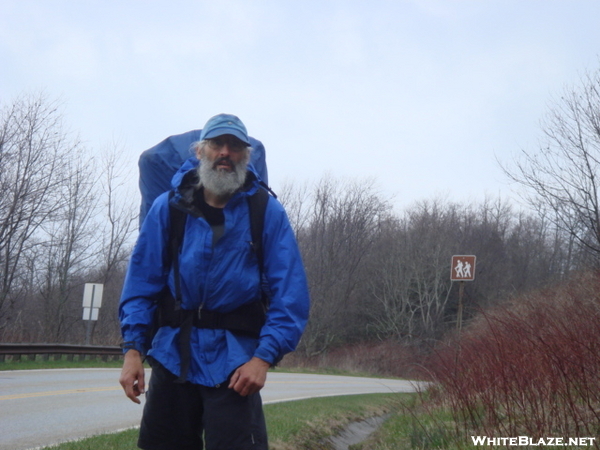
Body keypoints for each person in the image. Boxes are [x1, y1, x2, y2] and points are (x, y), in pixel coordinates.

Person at [118, 113, 310, 450]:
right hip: (172, 356)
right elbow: (141, 285)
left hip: (236, 367)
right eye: (217, 144)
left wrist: (262, 359)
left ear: (245, 156)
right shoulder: (168, 208)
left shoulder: (266, 211)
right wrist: (133, 351)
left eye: (235, 146)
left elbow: (290, 296)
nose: (225, 152)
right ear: (201, 152)